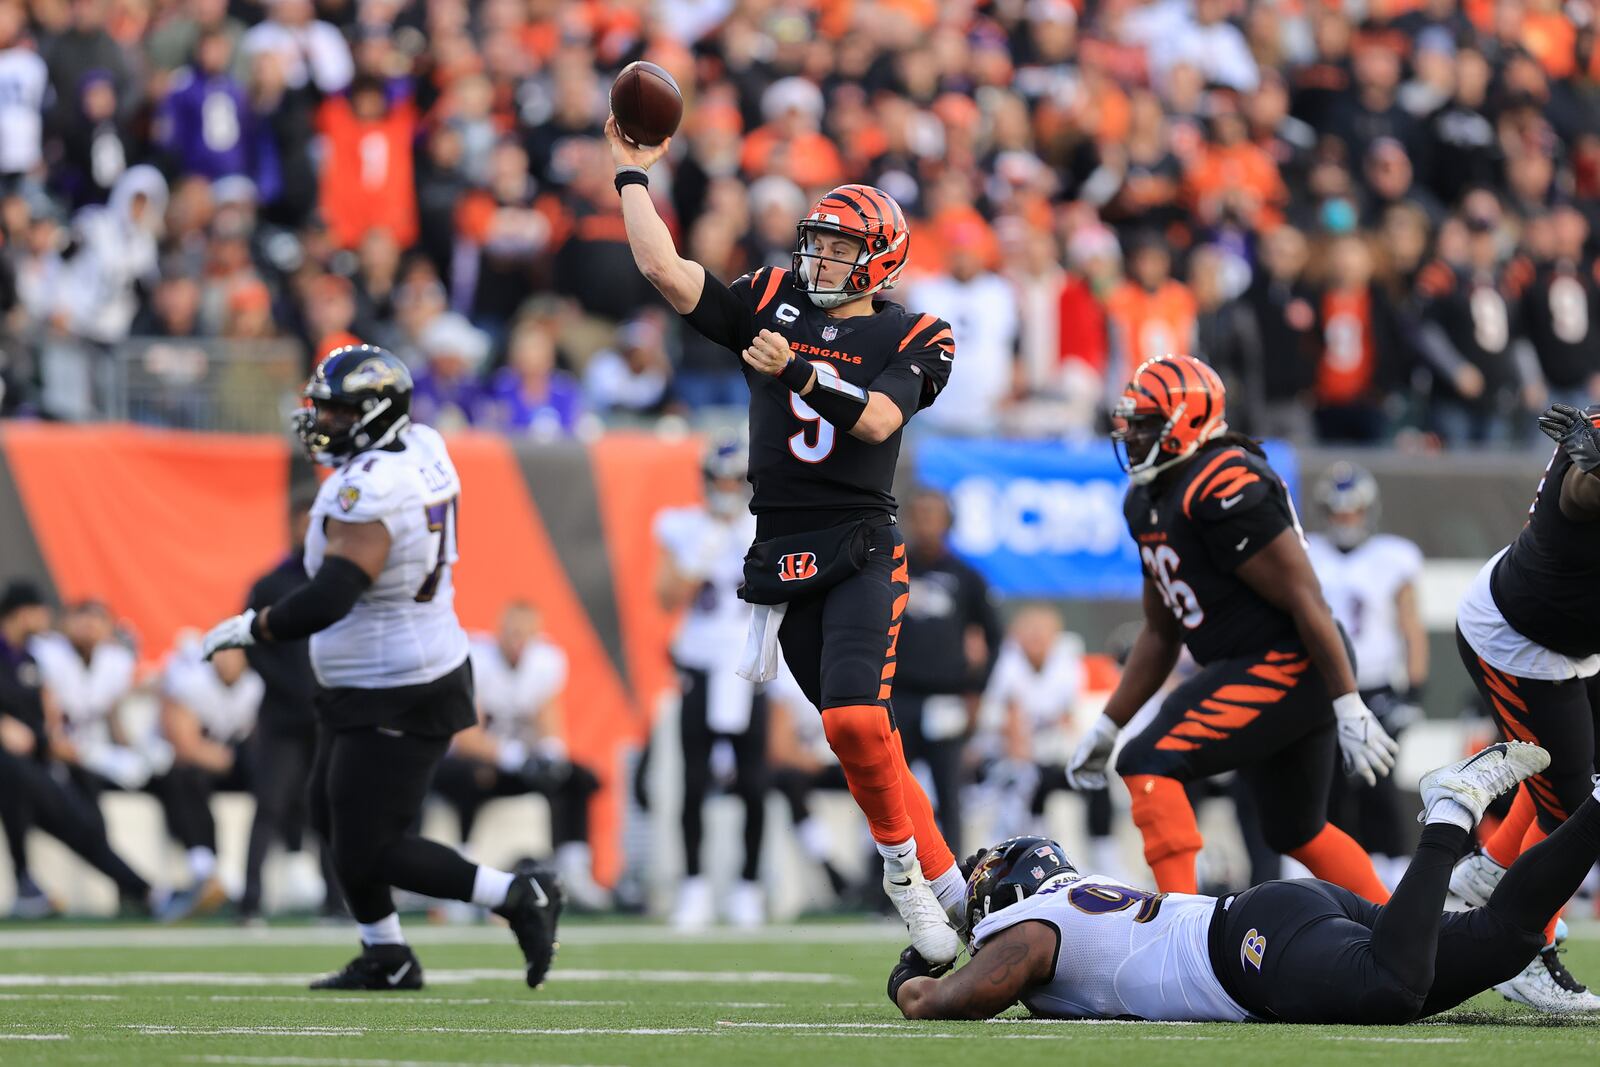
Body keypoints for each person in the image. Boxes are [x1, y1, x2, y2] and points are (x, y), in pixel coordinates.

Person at [609, 117, 966, 962]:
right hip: (782, 550)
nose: (819, 260)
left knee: (851, 718)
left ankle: (906, 881)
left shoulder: (917, 334)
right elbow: (665, 269)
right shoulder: (773, 297)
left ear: (879, 259)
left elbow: (878, 417)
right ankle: (956, 892)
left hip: (860, 539)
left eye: (839, 248)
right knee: (865, 738)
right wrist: (632, 178)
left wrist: (799, 371)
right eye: (818, 243)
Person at [200, 344, 559, 991]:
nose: (323, 421)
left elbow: (332, 594)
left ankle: (518, 893)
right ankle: (385, 952)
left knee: (373, 845)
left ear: (372, 414)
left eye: (336, 411)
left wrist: (256, 625)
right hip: (380, 671)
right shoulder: (420, 443)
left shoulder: (369, 488)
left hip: (400, 683)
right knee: (328, 811)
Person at [890, 741, 1592, 1025]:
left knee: (1394, 986)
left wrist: (913, 969)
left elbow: (948, 1000)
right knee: (1503, 941)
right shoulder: (1069, 900)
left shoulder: (1038, 927)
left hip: (1249, 948)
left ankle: (1447, 814)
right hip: (1278, 919)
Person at [1067, 355, 1398, 904]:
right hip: (1259, 663)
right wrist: (1107, 724)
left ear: (1190, 421)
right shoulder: (1147, 499)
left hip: (1291, 660)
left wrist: (1348, 703)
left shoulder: (1222, 480)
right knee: (1295, 829)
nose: (1134, 434)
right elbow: (1160, 630)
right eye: (1132, 422)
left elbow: (1304, 598)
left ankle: (1182, 932)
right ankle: (1399, 935)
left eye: (1148, 422)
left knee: (1149, 760)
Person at [1446, 402, 1600, 1012]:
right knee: (1570, 811)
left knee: (1579, 794)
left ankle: (1489, 871)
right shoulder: (1589, 456)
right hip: (1519, 642)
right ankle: (1523, 953)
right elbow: (1581, 490)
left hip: (1573, 642)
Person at [653, 439, 768, 928]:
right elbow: (666, 596)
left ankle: (748, 886)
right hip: (699, 663)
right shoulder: (684, 527)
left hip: (748, 666)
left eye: (733, 480)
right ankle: (695, 885)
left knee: (755, 783)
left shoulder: (762, 526)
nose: (725, 490)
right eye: (719, 480)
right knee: (694, 781)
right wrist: (706, 547)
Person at [0, 580, 165, 917]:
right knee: (15, 771)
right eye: (39, 611)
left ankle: (147, 892)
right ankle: (25, 881)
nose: (45, 619)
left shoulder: (29, 659)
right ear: (22, 613)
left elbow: (44, 724)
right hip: (13, 765)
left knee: (81, 822)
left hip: (33, 765)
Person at [432, 602, 607, 911]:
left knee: (576, 778)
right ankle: (464, 874)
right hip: (470, 762)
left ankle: (574, 870)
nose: (518, 642)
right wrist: (511, 755)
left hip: (518, 761)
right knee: (473, 778)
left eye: (526, 635)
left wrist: (550, 753)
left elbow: (548, 717)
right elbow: (467, 737)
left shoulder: (544, 662)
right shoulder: (478, 659)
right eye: (513, 633)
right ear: (499, 630)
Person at [1305, 463, 1429, 887]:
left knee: (1380, 787)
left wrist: (1413, 692)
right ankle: (1339, 881)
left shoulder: (1392, 556)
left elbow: (1411, 625)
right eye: (1339, 513)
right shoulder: (1308, 554)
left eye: (1353, 512)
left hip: (1376, 686)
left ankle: (1393, 882)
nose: (1346, 521)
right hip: (1323, 688)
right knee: (1330, 789)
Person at [240, 488, 340, 923]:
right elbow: (253, 645)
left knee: (330, 808)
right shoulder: (271, 584)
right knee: (270, 805)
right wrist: (292, 687)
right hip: (282, 716)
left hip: (326, 714)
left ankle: (337, 903)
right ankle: (250, 902)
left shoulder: (338, 581)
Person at [894, 488, 1002, 858]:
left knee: (948, 792)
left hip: (946, 696)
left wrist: (977, 690)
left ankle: (952, 876)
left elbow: (994, 634)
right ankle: (886, 883)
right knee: (891, 792)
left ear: (948, 522)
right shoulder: (892, 568)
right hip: (898, 696)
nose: (925, 523)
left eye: (933, 515)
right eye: (919, 514)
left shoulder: (966, 576)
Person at [981, 605, 1123, 880]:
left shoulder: (1065, 661)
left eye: (1042, 632)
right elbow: (1013, 727)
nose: (1036, 639)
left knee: (1095, 777)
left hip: (1048, 752)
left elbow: (1067, 718)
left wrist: (1072, 754)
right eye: (1030, 632)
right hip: (1004, 758)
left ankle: (1103, 855)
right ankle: (1028, 856)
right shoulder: (1007, 662)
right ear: (1017, 635)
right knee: (1027, 779)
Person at [148, 638, 262, 914]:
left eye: (231, 653)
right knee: (185, 778)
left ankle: (288, 862)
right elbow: (185, 746)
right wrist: (227, 758)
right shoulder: (192, 683)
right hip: (176, 763)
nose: (224, 660)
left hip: (226, 759)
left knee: (279, 782)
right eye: (219, 653)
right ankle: (205, 866)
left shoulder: (255, 686)